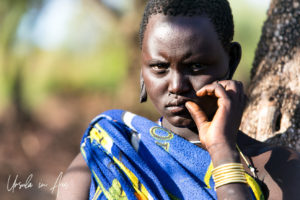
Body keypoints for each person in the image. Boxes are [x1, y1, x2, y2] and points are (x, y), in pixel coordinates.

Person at [56, 0, 300, 199]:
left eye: (195, 66)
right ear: (142, 69)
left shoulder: (280, 168)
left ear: (231, 60)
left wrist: (221, 152)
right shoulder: (106, 155)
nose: (176, 86)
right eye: (159, 67)